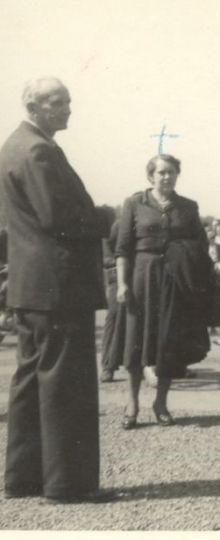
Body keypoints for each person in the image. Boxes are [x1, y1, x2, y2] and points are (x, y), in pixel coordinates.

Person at [1, 77, 111, 503]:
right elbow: (58, 216)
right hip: (59, 288)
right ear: (35, 105)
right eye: (59, 102)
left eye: (68, 101)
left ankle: (23, 479)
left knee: (30, 382)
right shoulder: (38, 150)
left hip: (31, 288)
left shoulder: (14, 145)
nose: (68, 109)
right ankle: (68, 485)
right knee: (66, 384)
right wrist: (104, 216)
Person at [116, 154, 215, 428]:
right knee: (136, 342)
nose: (166, 177)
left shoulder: (188, 207)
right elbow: (123, 249)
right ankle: (132, 403)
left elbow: (201, 246)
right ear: (151, 176)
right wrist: (123, 285)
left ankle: (161, 403)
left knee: (168, 344)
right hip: (142, 279)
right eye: (161, 173)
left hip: (176, 283)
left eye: (171, 172)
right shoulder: (135, 203)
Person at [99, 208, 121, 383]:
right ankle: (108, 366)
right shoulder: (113, 230)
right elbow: (105, 258)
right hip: (115, 279)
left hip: (137, 276)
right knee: (113, 317)